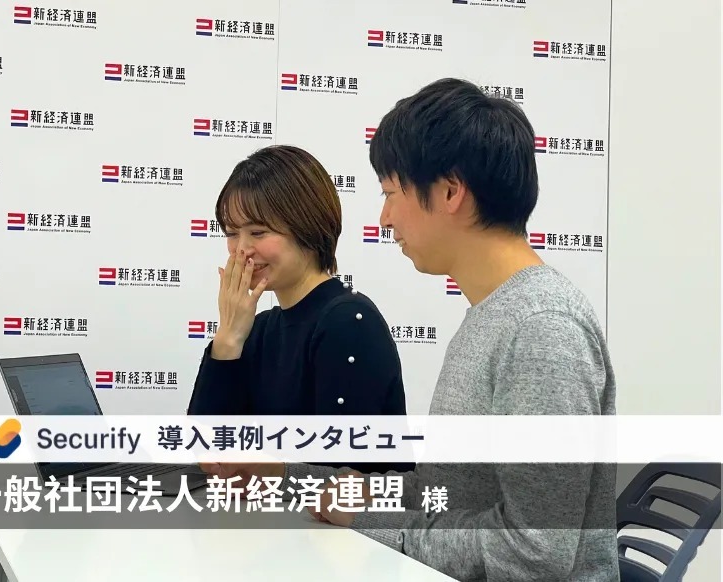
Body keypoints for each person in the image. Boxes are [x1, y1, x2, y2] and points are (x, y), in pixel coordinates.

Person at [200, 79, 619, 581]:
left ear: (449, 192)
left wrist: (371, 522)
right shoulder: (492, 316)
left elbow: (534, 553)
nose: (384, 218)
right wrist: (292, 476)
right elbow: (445, 495)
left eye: (391, 193)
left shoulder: (541, 329)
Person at [186, 144, 413, 475]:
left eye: (258, 232)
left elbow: (346, 476)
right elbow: (207, 451)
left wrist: (269, 473)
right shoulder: (257, 328)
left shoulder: (348, 321)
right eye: (232, 234)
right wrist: (228, 338)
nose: (242, 250)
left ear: (307, 226)